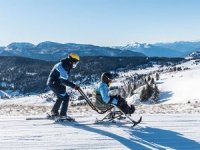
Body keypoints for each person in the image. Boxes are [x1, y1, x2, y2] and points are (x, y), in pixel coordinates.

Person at [47, 53, 80, 118]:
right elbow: (63, 81)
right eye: (75, 63)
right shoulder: (63, 67)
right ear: (71, 61)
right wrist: (74, 86)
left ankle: (54, 112)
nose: (75, 65)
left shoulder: (64, 64)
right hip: (54, 84)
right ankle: (63, 115)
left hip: (53, 83)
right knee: (66, 98)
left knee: (60, 97)